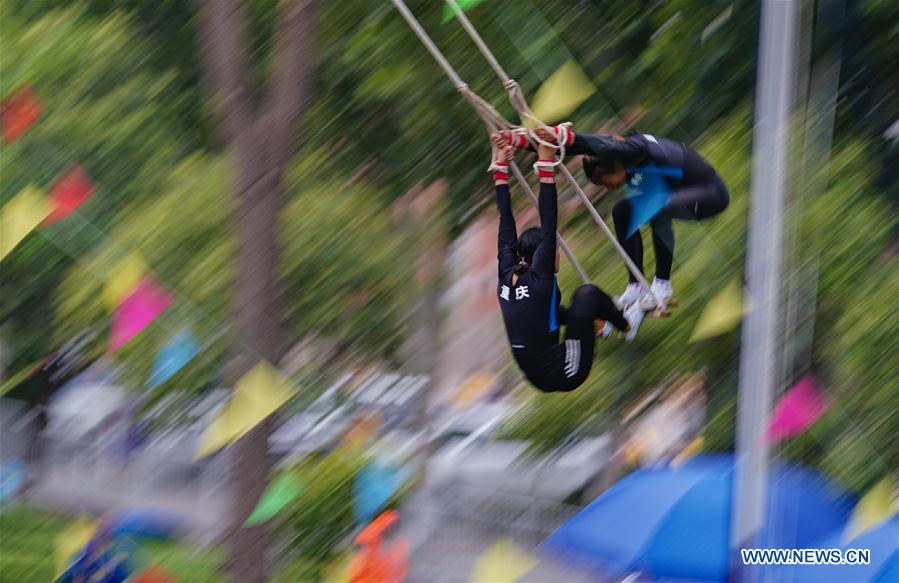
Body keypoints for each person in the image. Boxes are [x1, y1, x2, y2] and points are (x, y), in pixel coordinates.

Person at [492, 133, 643, 393]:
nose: (559, 253)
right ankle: (625, 326)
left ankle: (601, 325)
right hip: (564, 371)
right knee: (587, 294)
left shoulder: (508, 273)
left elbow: (505, 224)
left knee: (567, 308)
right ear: (542, 255)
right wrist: (546, 166)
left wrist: (500, 170)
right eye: (556, 250)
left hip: (539, 369)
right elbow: (548, 217)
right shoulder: (539, 279)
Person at [530, 124, 731, 312]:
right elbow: (586, 147)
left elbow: (605, 147)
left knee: (658, 207)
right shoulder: (623, 157)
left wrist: (565, 135)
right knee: (621, 210)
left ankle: (662, 284)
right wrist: (529, 143)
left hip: (711, 194)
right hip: (681, 192)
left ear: (615, 166)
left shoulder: (632, 150)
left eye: (604, 181)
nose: (606, 187)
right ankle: (637, 286)